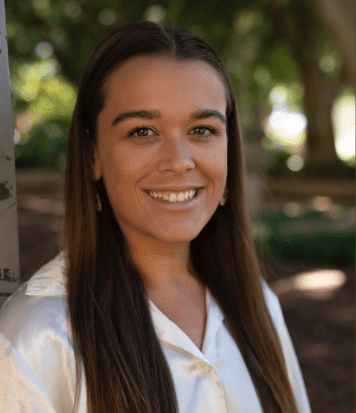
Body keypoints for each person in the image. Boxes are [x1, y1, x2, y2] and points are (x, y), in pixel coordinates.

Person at [0, 21, 311, 413]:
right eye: (143, 131)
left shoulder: (258, 305)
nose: (178, 161)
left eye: (202, 129)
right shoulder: (38, 338)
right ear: (93, 154)